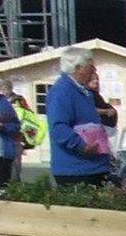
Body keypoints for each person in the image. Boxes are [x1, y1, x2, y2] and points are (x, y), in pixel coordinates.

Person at [42, 56, 115, 184]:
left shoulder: (84, 92)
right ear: (78, 68)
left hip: (95, 166)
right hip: (76, 169)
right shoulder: (61, 92)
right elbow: (59, 128)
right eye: (90, 65)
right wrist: (82, 146)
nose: (94, 69)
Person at [0, 78, 21, 208]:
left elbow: (16, 125)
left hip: (1, 153)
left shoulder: (3, 102)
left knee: (0, 188)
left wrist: (2, 126)